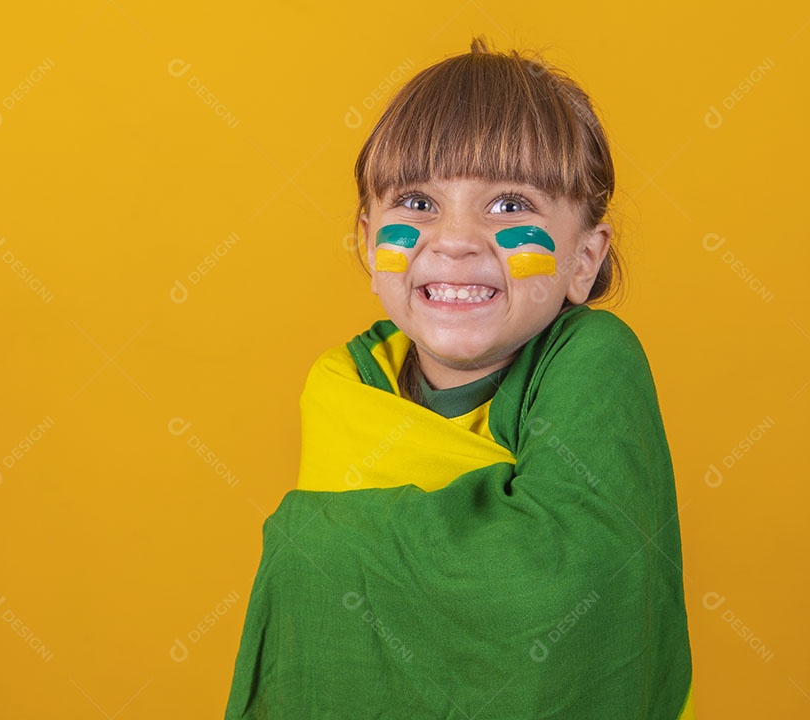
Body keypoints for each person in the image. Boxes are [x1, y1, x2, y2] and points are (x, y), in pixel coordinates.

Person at [224, 37, 696, 719]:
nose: (455, 239)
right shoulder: (344, 388)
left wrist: (315, 539)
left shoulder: (596, 358)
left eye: (510, 206)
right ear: (365, 240)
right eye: (417, 202)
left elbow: (571, 586)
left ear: (584, 260)